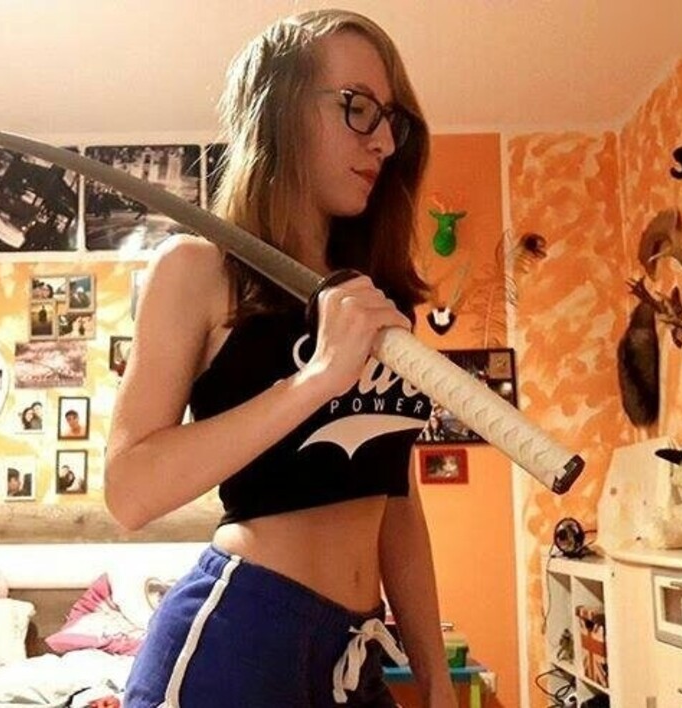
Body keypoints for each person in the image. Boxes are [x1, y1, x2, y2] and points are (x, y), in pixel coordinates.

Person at [106, 10, 455, 708]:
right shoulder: (200, 269)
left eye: (392, 120)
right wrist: (316, 379)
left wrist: (436, 678)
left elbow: (393, 501)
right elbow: (129, 493)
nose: (385, 141)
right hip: (239, 639)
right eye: (358, 107)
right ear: (280, 110)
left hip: (353, 653)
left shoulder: (374, 300)